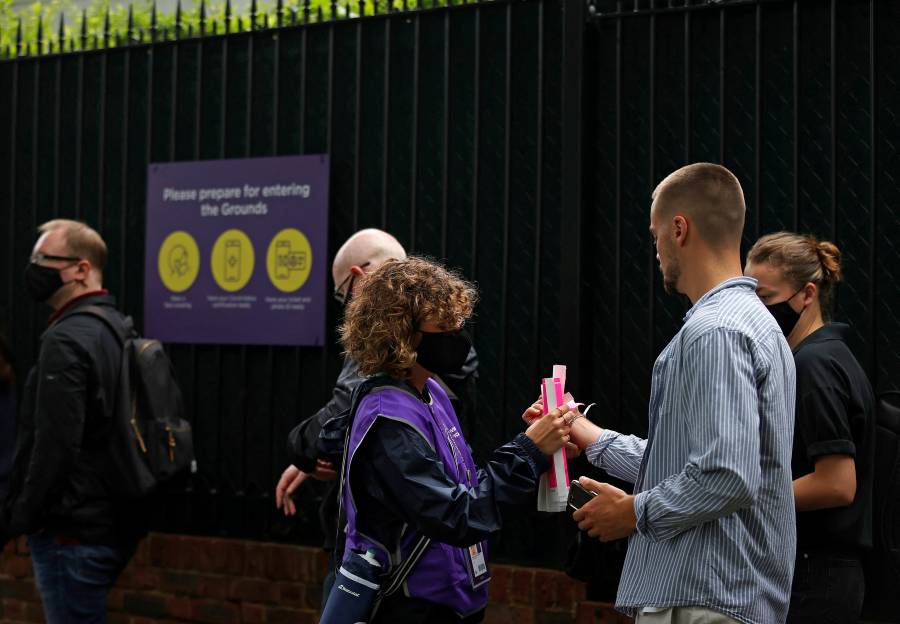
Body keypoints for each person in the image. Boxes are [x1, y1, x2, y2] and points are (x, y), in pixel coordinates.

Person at [568, 163, 796, 624]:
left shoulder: (715, 331)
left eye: (655, 236)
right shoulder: (751, 322)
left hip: (705, 598)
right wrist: (591, 437)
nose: (655, 252)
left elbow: (726, 475)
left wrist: (633, 512)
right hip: (719, 594)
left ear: (678, 228)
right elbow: (694, 460)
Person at [335, 256, 570, 622]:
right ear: (401, 332)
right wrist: (528, 451)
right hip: (413, 606)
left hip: (453, 597)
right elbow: (455, 514)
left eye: (457, 323)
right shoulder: (388, 418)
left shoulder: (431, 391)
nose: (457, 336)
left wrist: (535, 443)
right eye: (443, 326)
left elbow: (464, 483)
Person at [273, 228, 479, 601]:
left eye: (342, 295)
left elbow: (343, 413)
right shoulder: (444, 327)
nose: (349, 308)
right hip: (439, 544)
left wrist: (301, 447)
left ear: (357, 276)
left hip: (386, 553)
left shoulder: (391, 332)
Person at [1, 219, 145, 623]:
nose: (33, 269)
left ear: (82, 268)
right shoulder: (114, 326)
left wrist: (20, 520)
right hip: (110, 521)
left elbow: (54, 446)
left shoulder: (66, 340)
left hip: (71, 532)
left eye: (44, 259)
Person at [745, 232, 875, 624]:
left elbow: (837, 483)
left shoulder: (814, 366)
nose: (755, 311)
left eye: (765, 299)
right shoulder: (821, 357)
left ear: (807, 295)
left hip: (816, 575)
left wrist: (743, 498)